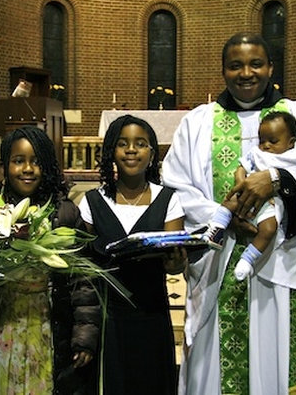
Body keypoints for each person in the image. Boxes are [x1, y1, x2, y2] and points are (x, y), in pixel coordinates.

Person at [161, 32, 296, 395]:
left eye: (255, 63)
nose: (246, 73)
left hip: (282, 263)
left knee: (280, 344)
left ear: (271, 68)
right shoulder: (198, 123)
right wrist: (225, 215)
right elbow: (176, 184)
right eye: (235, 65)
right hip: (219, 261)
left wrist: (276, 178)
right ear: (223, 71)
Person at [0, 125, 100, 394]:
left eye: (36, 161)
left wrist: (84, 337)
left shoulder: (63, 212)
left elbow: (83, 281)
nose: (28, 169)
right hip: (4, 321)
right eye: (18, 161)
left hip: (47, 322)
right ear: (6, 166)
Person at [78, 114, 185, 395]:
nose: (131, 149)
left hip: (152, 316)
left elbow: (174, 266)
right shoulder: (91, 202)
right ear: (111, 150)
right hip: (108, 319)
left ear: (152, 153)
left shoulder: (169, 200)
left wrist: (176, 261)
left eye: (140, 143)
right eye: (123, 143)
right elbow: (81, 265)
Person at [208, 110, 296, 281]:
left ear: (291, 142)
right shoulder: (257, 153)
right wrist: (241, 182)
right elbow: (242, 166)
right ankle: (215, 229)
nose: (266, 146)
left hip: (271, 205)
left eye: (273, 141)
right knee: (229, 202)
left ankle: (248, 260)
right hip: (246, 196)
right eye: (262, 141)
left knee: (269, 229)